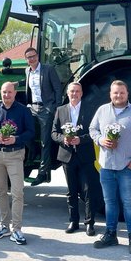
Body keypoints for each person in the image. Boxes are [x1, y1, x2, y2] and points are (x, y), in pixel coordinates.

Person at [89, 80, 131, 255]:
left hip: (127, 166)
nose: (118, 96)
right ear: (110, 94)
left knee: (129, 203)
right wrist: (101, 140)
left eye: (121, 93)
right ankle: (111, 234)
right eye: (115, 93)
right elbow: (93, 129)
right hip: (107, 166)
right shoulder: (102, 111)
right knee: (109, 202)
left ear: (127, 94)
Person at [0, 81, 35, 245]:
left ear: (15, 93)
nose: (7, 95)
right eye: (4, 92)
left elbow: (31, 132)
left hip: (15, 155)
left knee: (17, 192)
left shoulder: (23, 111)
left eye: (9, 92)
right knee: (0, 191)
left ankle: (17, 229)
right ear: (1, 93)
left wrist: (16, 138)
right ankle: (4, 226)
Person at [51, 82, 99, 236]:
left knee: (88, 190)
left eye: (77, 91)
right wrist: (63, 139)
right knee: (71, 191)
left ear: (82, 93)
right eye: (72, 91)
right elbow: (53, 132)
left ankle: (89, 223)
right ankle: (73, 221)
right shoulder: (60, 110)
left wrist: (81, 139)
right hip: (67, 156)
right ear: (68, 93)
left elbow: (94, 132)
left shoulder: (90, 109)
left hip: (84, 155)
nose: (74, 94)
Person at [23, 47, 62, 186]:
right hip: (32, 107)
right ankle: (32, 151)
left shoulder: (48, 69)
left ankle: (42, 172)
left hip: (46, 108)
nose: (31, 59)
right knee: (23, 130)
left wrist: (55, 108)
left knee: (45, 141)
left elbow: (58, 88)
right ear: (26, 60)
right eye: (29, 57)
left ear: (37, 56)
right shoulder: (27, 71)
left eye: (33, 56)